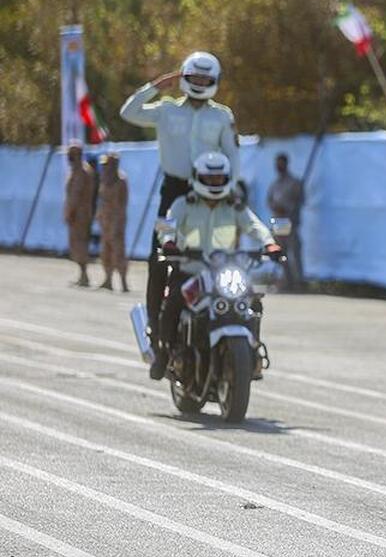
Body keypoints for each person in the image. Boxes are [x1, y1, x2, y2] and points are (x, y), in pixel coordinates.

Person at [121, 51, 239, 340]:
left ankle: (220, 313)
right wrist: (156, 86)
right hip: (174, 190)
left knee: (220, 254)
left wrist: (231, 192)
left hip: (212, 192)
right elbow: (128, 112)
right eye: (194, 77)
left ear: (215, 81)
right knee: (160, 256)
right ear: (183, 77)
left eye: (205, 78)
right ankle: (156, 327)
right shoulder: (166, 109)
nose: (199, 82)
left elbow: (233, 157)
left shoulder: (222, 116)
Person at [152, 152, 280, 380]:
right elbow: (168, 225)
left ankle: (252, 353)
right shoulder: (184, 204)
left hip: (225, 272)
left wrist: (270, 244)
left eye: (219, 179)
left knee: (253, 303)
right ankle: (164, 354)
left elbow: (254, 226)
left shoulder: (234, 206)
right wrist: (169, 242)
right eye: (210, 179)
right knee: (172, 304)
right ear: (197, 177)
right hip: (190, 270)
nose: (215, 183)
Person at [267, 152, 305, 291]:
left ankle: (298, 282)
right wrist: (275, 208)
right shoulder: (275, 184)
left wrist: (286, 209)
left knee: (294, 252)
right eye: (277, 164)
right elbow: (269, 200)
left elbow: (299, 201)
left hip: (290, 221)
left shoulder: (294, 183)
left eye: (281, 163)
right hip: (279, 222)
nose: (278, 166)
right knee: (281, 253)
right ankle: (286, 281)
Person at [63, 141, 95, 287]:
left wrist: (70, 212)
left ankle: (84, 276)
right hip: (79, 213)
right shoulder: (77, 171)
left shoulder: (81, 172)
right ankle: (82, 275)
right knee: (78, 243)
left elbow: (75, 195)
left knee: (80, 243)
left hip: (79, 214)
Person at [96, 151, 129, 292]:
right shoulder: (105, 180)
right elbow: (102, 201)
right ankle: (108, 279)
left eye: (107, 165)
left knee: (118, 251)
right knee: (106, 251)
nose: (105, 168)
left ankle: (123, 281)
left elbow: (121, 204)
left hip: (116, 220)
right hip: (106, 220)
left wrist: (117, 222)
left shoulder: (120, 181)